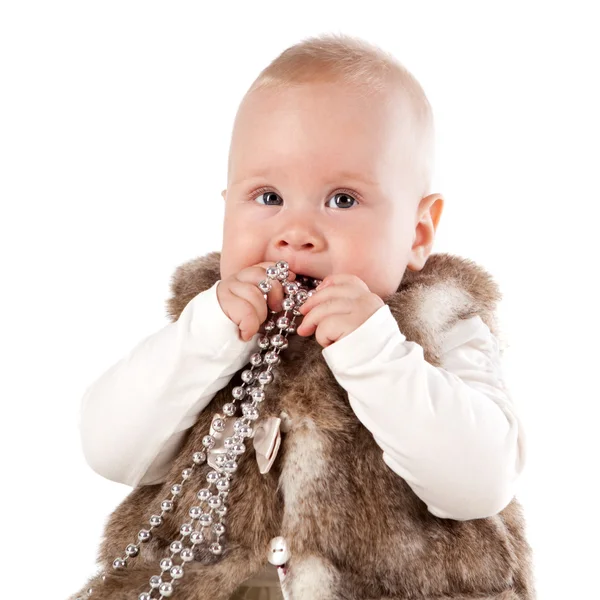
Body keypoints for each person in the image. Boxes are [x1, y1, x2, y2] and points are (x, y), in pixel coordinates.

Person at [78, 33, 527, 600]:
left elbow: (480, 483)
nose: (296, 233)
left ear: (416, 234)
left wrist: (376, 354)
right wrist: (205, 337)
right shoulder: (208, 321)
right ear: (226, 211)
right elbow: (111, 450)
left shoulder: (440, 321)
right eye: (267, 197)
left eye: (342, 199)